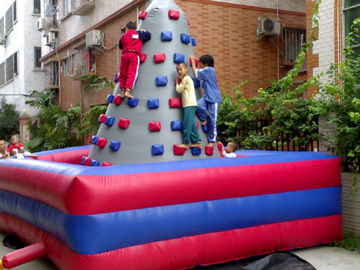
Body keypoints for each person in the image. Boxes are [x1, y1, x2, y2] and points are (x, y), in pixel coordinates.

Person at [189, 54, 222, 148]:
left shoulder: (209, 70)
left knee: (213, 119)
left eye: (200, 63)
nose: (199, 64)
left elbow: (196, 73)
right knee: (198, 106)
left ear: (206, 64)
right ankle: (204, 120)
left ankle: (212, 140)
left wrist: (192, 60)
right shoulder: (205, 71)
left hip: (214, 99)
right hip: (207, 97)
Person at [117, 21, 151, 99]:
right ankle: (127, 91)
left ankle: (122, 91)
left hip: (124, 55)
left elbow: (120, 45)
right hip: (133, 54)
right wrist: (144, 31)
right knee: (132, 73)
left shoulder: (124, 36)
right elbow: (149, 36)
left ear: (127, 28)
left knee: (123, 73)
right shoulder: (138, 34)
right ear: (135, 28)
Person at [175, 63, 202, 149]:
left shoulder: (186, 79)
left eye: (181, 69)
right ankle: (196, 141)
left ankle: (186, 143)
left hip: (189, 104)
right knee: (192, 123)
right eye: (178, 70)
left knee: (187, 123)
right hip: (191, 104)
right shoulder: (187, 79)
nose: (179, 71)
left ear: (186, 69)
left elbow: (179, 90)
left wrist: (176, 82)